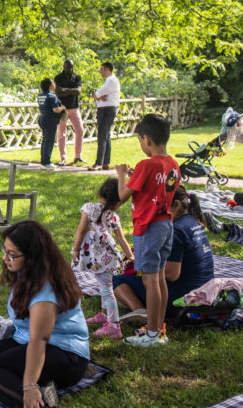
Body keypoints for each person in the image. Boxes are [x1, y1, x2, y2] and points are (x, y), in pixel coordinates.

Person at [0, 221, 90, 408]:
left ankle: (39, 401)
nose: (5, 259)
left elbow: (39, 340)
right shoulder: (27, 273)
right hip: (26, 342)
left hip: (64, 354)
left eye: (12, 255)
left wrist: (29, 384)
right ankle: (42, 385)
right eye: (4, 251)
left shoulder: (45, 293)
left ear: (32, 257)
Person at [115, 113, 180, 347]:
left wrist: (122, 174)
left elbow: (122, 196)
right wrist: (136, 178)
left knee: (150, 282)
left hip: (148, 227)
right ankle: (158, 329)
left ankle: (152, 335)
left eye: (140, 141)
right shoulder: (172, 165)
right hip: (165, 225)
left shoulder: (146, 165)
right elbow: (158, 187)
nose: (141, 145)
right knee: (159, 277)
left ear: (147, 140)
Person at [113, 185, 215, 330]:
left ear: (177, 205)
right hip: (204, 291)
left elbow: (171, 274)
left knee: (118, 280)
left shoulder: (176, 230)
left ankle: (141, 311)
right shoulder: (193, 222)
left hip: (183, 297)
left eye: (161, 207)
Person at [72, 178, 133, 339]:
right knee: (104, 286)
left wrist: (76, 249)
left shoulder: (89, 208)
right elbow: (121, 239)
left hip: (98, 259)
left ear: (101, 192)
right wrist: (130, 255)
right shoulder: (113, 215)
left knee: (107, 290)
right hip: (109, 258)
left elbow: (81, 230)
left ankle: (114, 325)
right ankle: (105, 315)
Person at [89, 61, 120, 171]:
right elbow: (99, 95)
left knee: (102, 135)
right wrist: (99, 96)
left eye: (101, 69)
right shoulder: (108, 81)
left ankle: (99, 163)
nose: (100, 71)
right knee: (106, 136)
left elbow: (98, 93)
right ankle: (106, 162)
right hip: (105, 109)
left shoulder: (111, 81)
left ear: (107, 70)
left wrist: (98, 96)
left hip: (107, 110)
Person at [54, 59, 86, 166]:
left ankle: (78, 156)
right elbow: (58, 93)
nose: (70, 69)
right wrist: (71, 91)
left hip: (74, 108)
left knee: (80, 130)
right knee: (61, 133)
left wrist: (64, 90)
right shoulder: (58, 78)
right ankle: (63, 158)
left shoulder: (77, 77)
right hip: (62, 109)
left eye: (71, 67)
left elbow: (78, 91)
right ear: (64, 66)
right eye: (68, 67)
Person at [37, 78, 66, 169]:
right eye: (53, 83)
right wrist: (63, 108)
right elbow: (56, 109)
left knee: (45, 140)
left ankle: (43, 162)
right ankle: (47, 162)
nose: (54, 84)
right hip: (50, 119)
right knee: (49, 142)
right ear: (50, 85)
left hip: (42, 118)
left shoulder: (40, 96)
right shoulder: (52, 96)